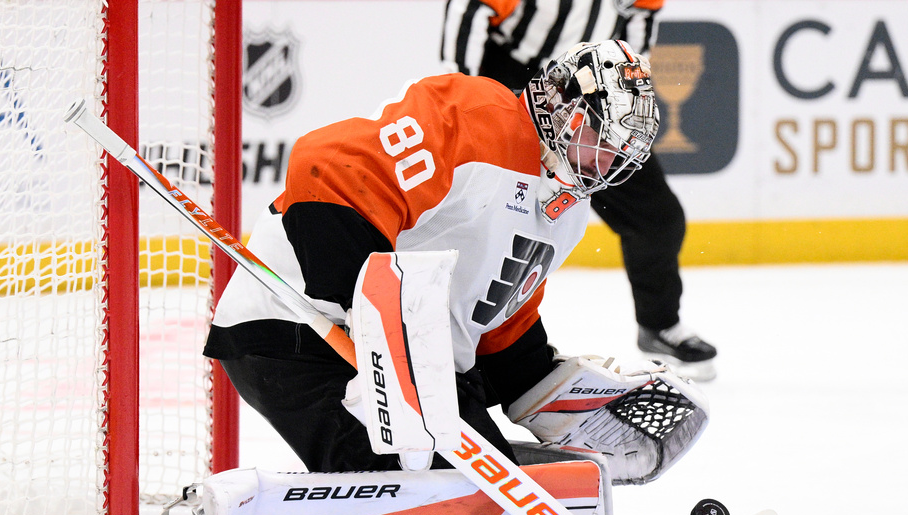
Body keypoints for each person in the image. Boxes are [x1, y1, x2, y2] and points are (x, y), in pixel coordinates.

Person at [202, 39, 659, 475]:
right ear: (567, 112)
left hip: (417, 366)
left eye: (624, 154)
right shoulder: (478, 115)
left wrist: (563, 397)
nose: (611, 164)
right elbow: (328, 171)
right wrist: (374, 328)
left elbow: (494, 319)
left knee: (492, 494)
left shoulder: (567, 212)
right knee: (446, 499)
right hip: (303, 330)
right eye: (606, 140)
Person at [441, 0, 718, 380]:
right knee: (480, 212)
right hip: (517, 87)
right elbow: (473, 9)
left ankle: (659, 325)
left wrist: (625, 106)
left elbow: (635, 40)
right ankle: (439, 320)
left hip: (597, 108)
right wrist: (463, 87)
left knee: (658, 218)